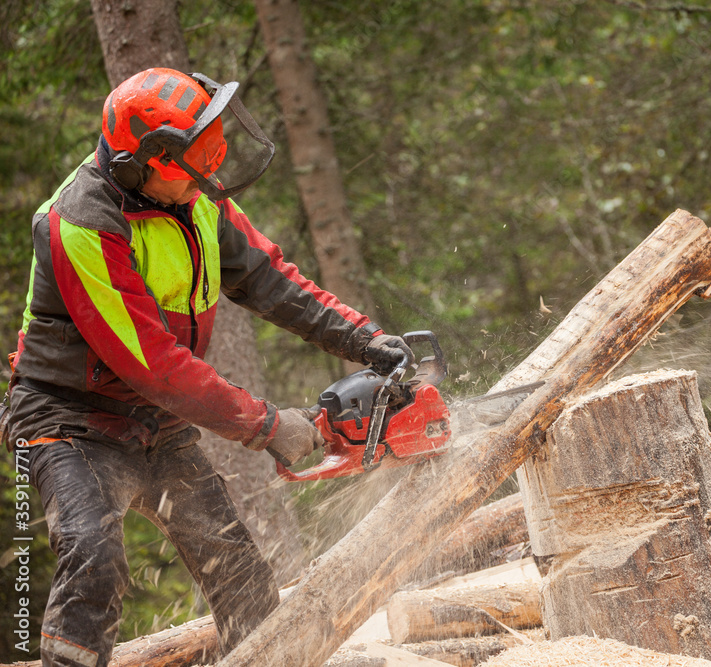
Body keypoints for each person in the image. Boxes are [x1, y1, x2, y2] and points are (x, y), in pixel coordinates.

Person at [1, 67, 412, 667]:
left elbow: (274, 282)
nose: (211, 166)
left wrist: (366, 340)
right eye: (195, 154)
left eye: (212, 144)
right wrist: (270, 425)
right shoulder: (79, 225)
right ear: (143, 162)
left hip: (154, 419)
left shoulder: (195, 199)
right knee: (93, 552)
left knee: (238, 571)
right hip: (69, 419)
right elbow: (155, 366)